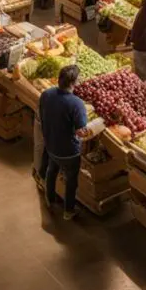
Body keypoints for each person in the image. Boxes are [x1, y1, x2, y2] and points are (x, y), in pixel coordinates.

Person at [38, 65, 92, 221]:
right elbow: (81, 131)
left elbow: (42, 115)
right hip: (69, 152)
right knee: (71, 179)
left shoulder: (46, 94)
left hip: (50, 145)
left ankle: (50, 199)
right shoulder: (76, 104)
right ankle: (68, 210)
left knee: (51, 170)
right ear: (74, 82)